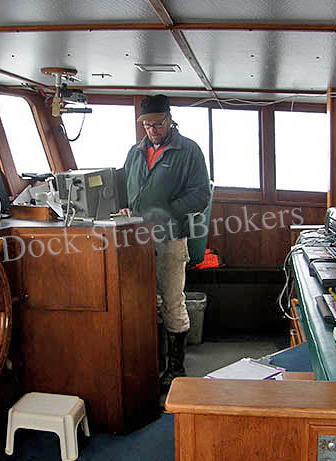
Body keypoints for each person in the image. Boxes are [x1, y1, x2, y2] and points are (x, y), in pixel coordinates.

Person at [123, 94, 210, 391]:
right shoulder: (135, 152)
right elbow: (126, 188)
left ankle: (176, 369)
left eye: (158, 124)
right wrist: (125, 208)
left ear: (170, 119)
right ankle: (155, 363)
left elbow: (201, 195)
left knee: (172, 302)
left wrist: (166, 212)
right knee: (145, 301)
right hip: (137, 239)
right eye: (147, 125)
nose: (152, 130)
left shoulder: (189, 150)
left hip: (171, 238)